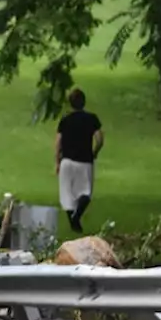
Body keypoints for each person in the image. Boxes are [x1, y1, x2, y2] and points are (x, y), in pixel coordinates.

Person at [55, 87, 104, 232]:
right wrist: (95, 151)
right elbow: (100, 139)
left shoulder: (65, 119)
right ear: (84, 102)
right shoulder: (92, 119)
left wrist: (57, 161)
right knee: (85, 192)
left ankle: (73, 221)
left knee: (67, 193)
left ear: (70, 103)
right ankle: (77, 218)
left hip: (67, 161)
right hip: (84, 161)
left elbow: (58, 142)